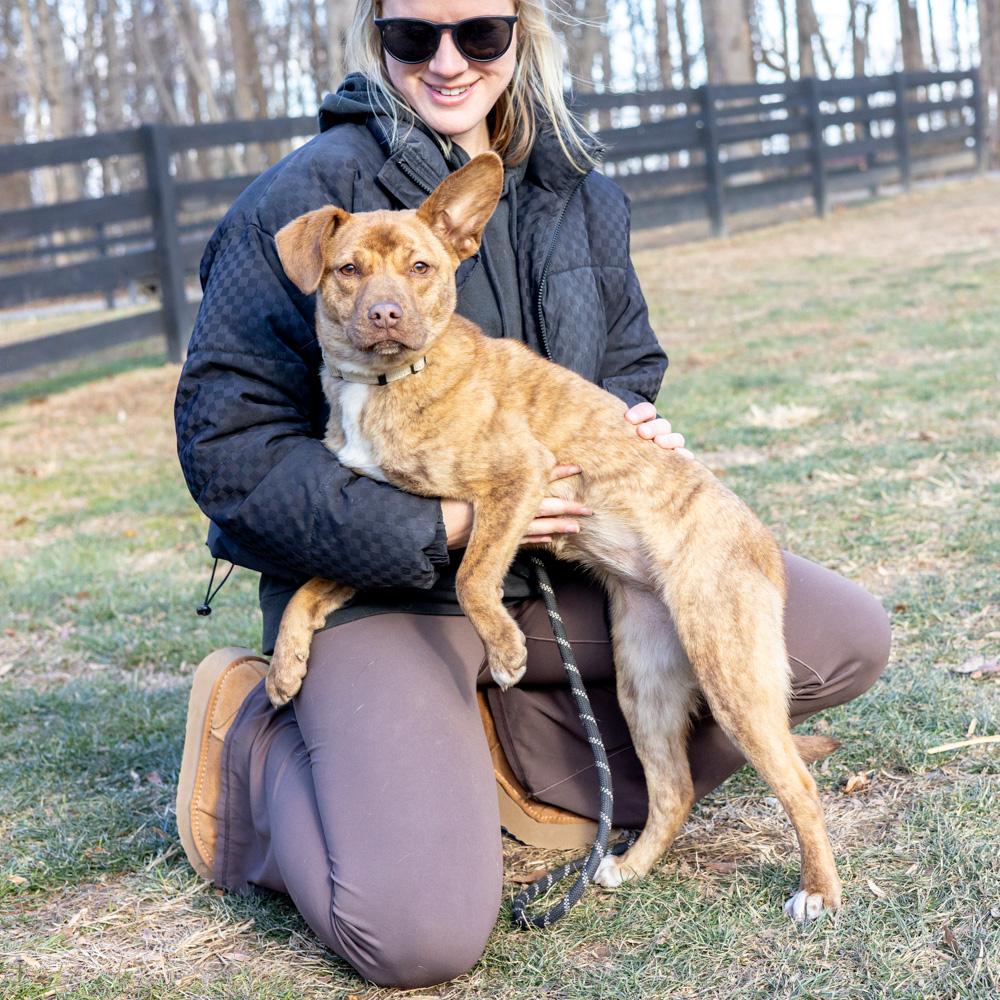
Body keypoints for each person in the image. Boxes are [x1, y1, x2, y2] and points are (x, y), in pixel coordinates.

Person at [174, 0, 891, 988]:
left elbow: (626, 357)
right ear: (373, 37)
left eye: (479, 33)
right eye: (411, 35)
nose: (447, 60)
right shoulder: (301, 200)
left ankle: (490, 754)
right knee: (415, 932)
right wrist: (437, 524)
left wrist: (633, 415)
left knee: (840, 635)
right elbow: (231, 453)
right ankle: (265, 758)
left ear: (521, 34)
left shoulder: (575, 183)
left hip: (556, 564)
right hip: (383, 582)